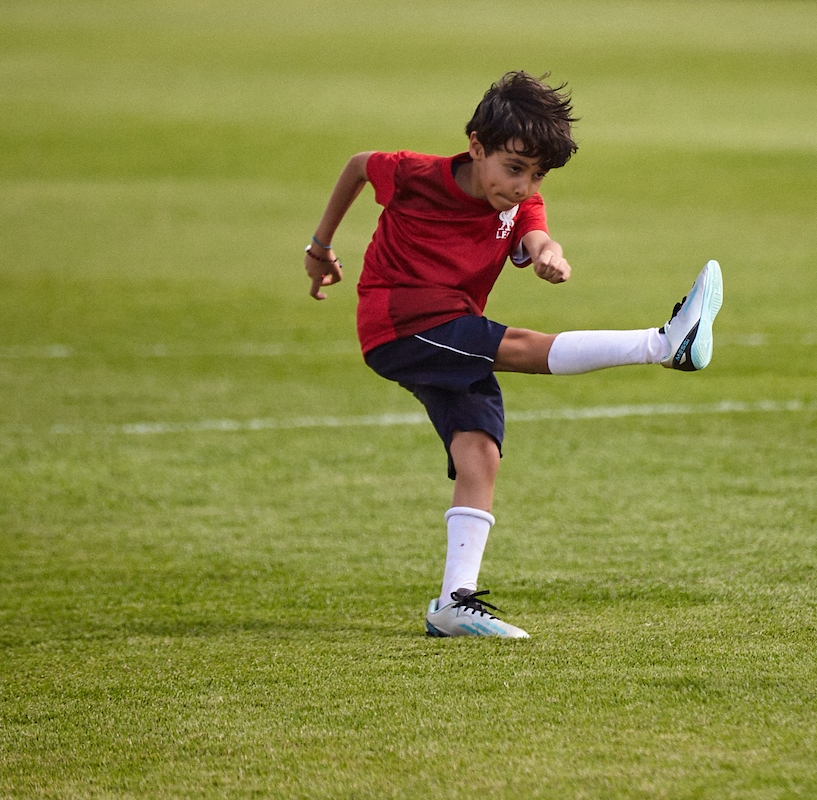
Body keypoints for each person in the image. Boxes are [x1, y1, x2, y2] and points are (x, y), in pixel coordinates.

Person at [304, 71, 723, 638]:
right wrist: (321, 247)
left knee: (480, 451)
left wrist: (549, 254)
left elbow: (536, 235)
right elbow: (358, 163)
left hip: (452, 326)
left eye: (537, 174)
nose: (524, 185)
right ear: (476, 146)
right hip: (399, 322)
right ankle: (663, 344)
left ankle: (453, 604)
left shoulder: (520, 201)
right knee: (520, 345)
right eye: (514, 167)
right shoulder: (415, 173)